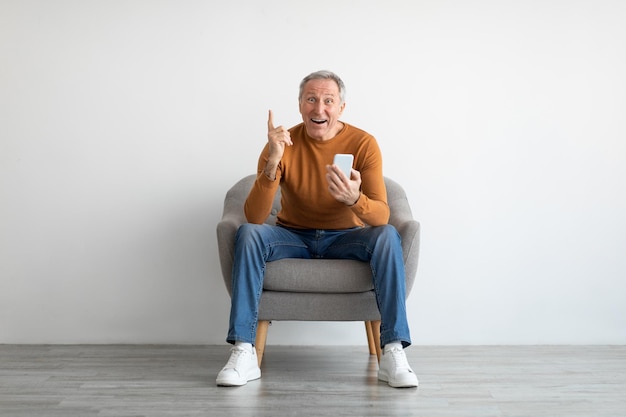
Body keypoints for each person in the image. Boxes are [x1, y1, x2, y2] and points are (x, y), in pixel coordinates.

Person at [216, 70, 418, 388]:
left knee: (388, 236)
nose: (319, 109)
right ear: (300, 105)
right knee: (248, 234)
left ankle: (392, 350)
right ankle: (244, 350)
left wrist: (355, 200)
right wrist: (273, 160)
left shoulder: (364, 143)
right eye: (311, 99)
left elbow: (381, 216)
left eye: (328, 100)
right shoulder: (281, 144)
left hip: (346, 237)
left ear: (341, 107)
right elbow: (254, 217)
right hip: (292, 235)